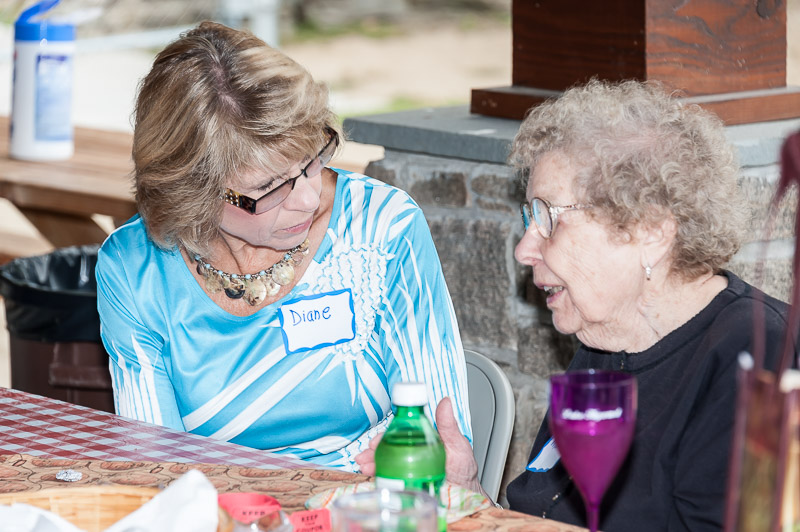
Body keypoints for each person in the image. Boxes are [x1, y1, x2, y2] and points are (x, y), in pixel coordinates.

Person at [357, 79, 796, 530]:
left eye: (548, 218)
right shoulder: (604, 341)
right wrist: (468, 497)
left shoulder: (759, 360)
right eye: (529, 219)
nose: (524, 249)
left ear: (650, 231)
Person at [95, 21, 472, 471]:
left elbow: (438, 438)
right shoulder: (135, 269)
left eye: (311, 161)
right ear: (193, 193)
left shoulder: (383, 226)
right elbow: (156, 465)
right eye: (270, 188)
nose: (309, 199)